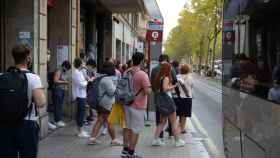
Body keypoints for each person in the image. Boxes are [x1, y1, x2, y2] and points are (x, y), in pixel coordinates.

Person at [0, 44, 46, 158]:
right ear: (28, 58)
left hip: (5, 124)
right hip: (27, 124)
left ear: (13, 57)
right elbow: (41, 103)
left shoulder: (2, 76)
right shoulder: (33, 77)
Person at [121, 52, 151, 158]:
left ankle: (124, 151)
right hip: (138, 106)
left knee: (127, 128)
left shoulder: (126, 72)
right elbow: (147, 92)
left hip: (126, 104)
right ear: (142, 61)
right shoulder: (143, 74)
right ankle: (131, 153)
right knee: (136, 130)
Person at [151, 63, 185, 147]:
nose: (171, 70)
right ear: (167, 69)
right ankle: (177, 141)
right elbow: (165, 89)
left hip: (162, 102)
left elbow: (160, 89)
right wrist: (174, 86)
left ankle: (156, 140)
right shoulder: (166, 78)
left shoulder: (159, 77)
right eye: (170, 68)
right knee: (173, 122)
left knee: (162, 122)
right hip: (167, 101)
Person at [88, 61, 122, 145]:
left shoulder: (101, 77)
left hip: (101, 103)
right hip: (106, 104)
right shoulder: (107, 79)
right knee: (110, 122)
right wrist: (116, 87)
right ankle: (114, 140)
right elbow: (112, 92)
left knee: (99, 121)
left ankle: (92, 138)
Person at [151, 54, 176, 139]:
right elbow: (174, 80)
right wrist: (173, 87)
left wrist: (157, 93)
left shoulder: (154, 70)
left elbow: (152, 83)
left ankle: (159, 136)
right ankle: (171, 134)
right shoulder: (169, 69)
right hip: (167, 97)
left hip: (158, 96)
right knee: (171, 118)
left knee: (160, 117)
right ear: (167, 60)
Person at [72, 58, 92, 138]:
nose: (84, 64)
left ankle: (81, 130)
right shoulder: (76, 72)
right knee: (80, 113)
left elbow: (85, 78)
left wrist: (87, 78)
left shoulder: (80, 71)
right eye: (83, 63)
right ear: (80, 64)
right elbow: (81, 84)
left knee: (82, 113)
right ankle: (80, 132)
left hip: (82, 94)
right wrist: (89, 81)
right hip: (80, 95)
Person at [173, 64, 194, 133]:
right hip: (187, 98)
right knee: (184, 115)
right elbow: (191, 86)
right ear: (188, 70)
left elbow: (174, 87)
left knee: (176, 114)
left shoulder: (177, 77)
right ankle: (182, 129)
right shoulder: (190, 78)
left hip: (177, 98)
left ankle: (173, 128)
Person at [52, 61, 71, 127]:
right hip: (57, 90)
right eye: (67, 68)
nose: (67, 70)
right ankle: (57, 120)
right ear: (64, 66)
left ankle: (59, 119)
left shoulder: (64, 71)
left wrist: (65, 85)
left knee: (60, 105)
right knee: (57, 105)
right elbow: (55, 80)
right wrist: (64, 82)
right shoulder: (59, 71)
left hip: (62, 90)